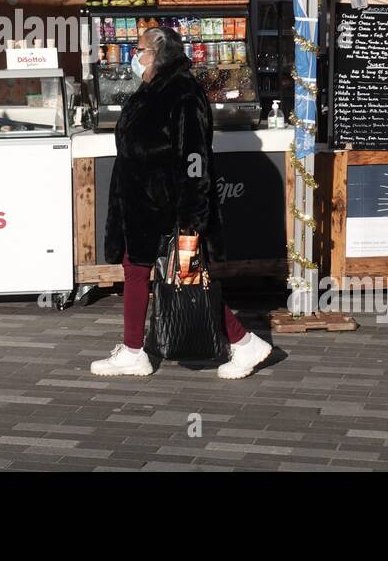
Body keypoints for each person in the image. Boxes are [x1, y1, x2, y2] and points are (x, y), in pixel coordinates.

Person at [91, 25, 273, 379]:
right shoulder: (151, 88)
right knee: (141, 269)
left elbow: (195, 157)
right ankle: (135, 350)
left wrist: (191, 217)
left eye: (140, 48)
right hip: (141, 205)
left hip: (168, 206)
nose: (134, 54)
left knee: (186, 276)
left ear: (159, 53)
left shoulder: (183, 93)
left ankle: (243, 343)